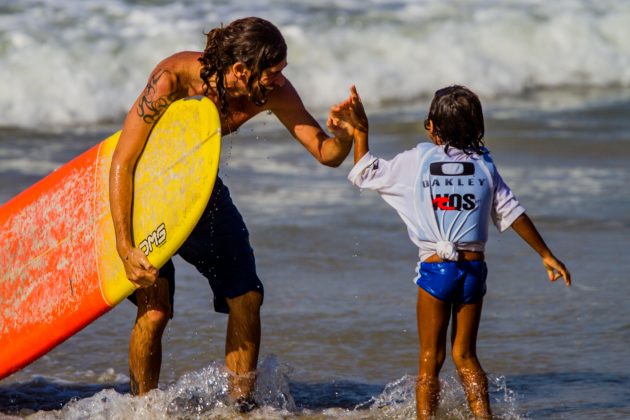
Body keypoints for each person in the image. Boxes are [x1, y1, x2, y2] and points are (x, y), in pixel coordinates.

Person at [109, 17, 354, 408]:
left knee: (246, 296)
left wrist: (347, 136)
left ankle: (240, 408)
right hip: (144, 193)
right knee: (154, 308)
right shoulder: (173, 79)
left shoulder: (270, 93)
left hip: (199, 191)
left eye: (282, 73)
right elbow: (123, 160)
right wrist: (125, 246)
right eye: (272, 73)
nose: (279, 81)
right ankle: (142, 409)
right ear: (241, 70)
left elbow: (326, 153)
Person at [330, 85, 571, 419]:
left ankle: (426, 417)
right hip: (474, 272)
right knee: (466, 355)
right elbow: (513, 212)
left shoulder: (417, 160)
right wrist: (546, 254)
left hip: (436, 271)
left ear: (431, 126)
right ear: (477, 127)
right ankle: (483, 415)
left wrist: (361, 131)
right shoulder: (485, 165)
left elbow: (363, 173)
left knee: (431, 358)